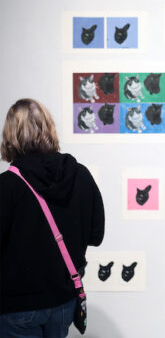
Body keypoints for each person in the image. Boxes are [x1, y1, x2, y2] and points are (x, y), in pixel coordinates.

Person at [0, 99, 105, 337]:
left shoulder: (6, 187)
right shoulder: (80, 175)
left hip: (17, 306)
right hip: (63, 302)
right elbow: (96, 235)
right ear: (49, 128)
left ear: (10, 135)